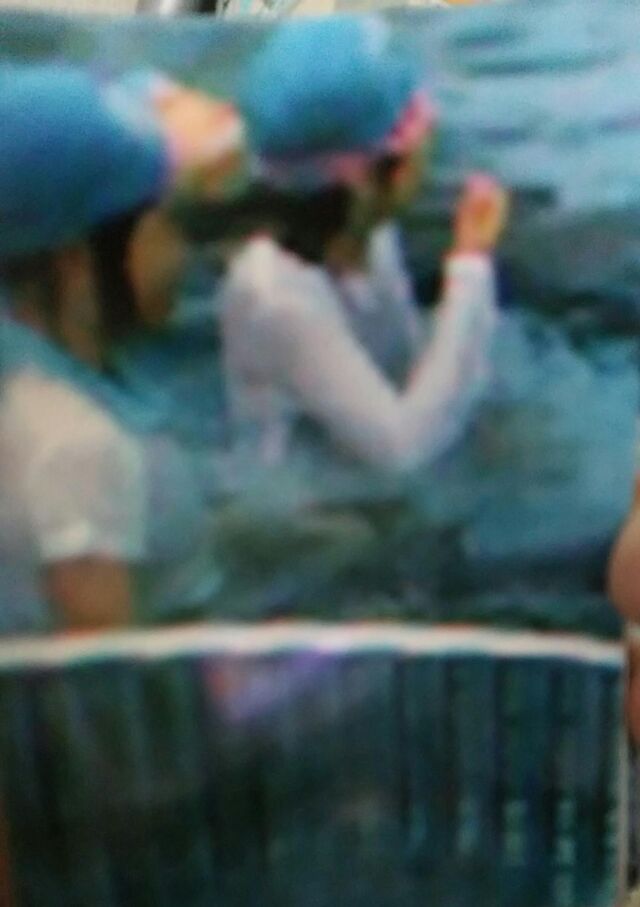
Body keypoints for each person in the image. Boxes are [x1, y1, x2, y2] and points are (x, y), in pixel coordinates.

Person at [203, 17, 509, 615]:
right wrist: (471, 268)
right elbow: (402, 450)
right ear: (371, 174)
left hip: (364, 508)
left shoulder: (371, 237)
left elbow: (412, 377)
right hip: (301, 548)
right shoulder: (275, 296)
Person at [0, 64, 246, 635]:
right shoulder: (77, 448)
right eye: (162, 224)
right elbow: (107, 677)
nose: (179, 251)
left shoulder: (50, 371)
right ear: (77, 261)